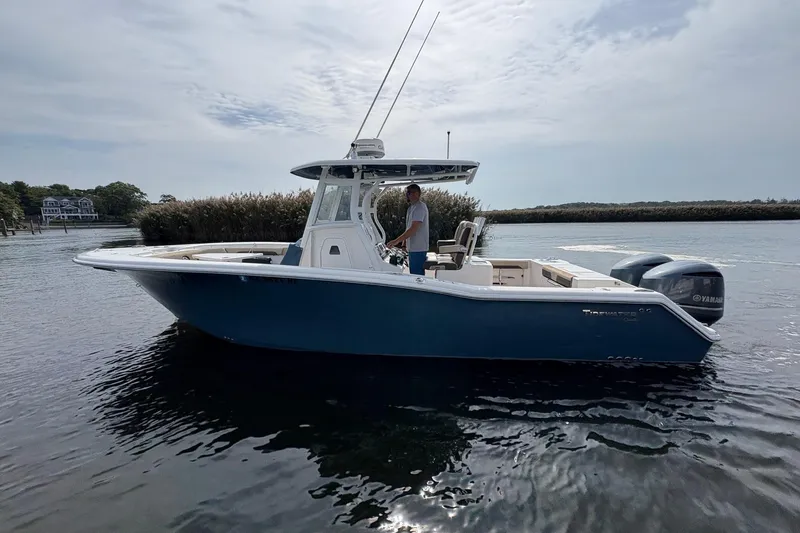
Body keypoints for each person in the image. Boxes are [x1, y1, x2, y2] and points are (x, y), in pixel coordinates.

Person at [386, 183, 429, 275]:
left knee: (416, 275)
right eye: (409, 192)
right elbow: (408, 228)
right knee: (413, 273)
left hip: (418, 248)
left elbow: (413, 228)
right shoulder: (411, 208)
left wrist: (395, 241)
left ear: (419, 194)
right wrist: (404, 244)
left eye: (414, 192)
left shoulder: (420, 207)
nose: (411, 194)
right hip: (412, 248)